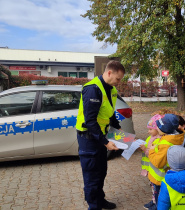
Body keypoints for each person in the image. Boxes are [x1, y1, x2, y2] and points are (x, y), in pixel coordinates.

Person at [75, 60, 125, 210]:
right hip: (89, 139)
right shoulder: (92, 89)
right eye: (117, 79)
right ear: (109, 73)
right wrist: (106, 142)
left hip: (100, 138)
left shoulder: (111, 89)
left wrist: (118, 128)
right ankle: (93, 206)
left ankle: (100, 200)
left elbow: (109, 113)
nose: (118, 82)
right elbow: (90, 121)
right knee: (91, 176)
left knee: (101, 172)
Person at [147, 114, 185, 210]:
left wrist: (152, 150)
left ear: (165, 129)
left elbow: (158, 163)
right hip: (168, 175)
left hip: (159, 178)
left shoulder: (166, 143)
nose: (157, 128)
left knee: (160, 200)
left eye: (159, 127)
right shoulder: (177, 137)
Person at [140, 114, 163, 209]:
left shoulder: (159, 140)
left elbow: (153, 154)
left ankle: (157, 204)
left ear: (157, 129)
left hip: (157, 172)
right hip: (151, 169)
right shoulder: (151, 138)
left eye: (150, 129)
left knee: (157, 189)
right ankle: (154, 201)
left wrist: (145, 149)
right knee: (153, 188)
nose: (148, 131)